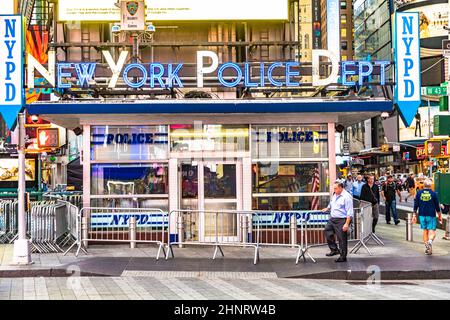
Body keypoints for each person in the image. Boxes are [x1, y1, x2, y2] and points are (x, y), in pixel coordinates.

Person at [321, 181, 353, 263]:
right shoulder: (335, 194)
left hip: (341, 220)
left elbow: (350, 212)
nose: (334, 190)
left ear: (341, 187)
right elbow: (332, 203)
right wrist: (327, 208)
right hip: (332, 219)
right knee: (327, 231)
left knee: (342, 239)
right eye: (333, 188)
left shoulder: (347, 197)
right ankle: (334, 249)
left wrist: (346, 223)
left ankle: (343, 256)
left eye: (335, 188)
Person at [413, 179, 443, 255]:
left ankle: (428, 249)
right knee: (432, 231)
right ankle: (430, 242)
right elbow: (437, 207)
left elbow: (416, 205)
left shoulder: (419, 193)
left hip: (422, 215)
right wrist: (439, 216)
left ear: (423, 185)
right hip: (431, 215)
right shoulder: (433, 194)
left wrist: (414, 215)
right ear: (430, 186)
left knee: (425, 231)